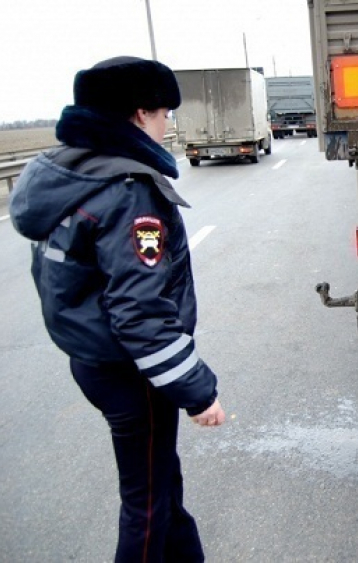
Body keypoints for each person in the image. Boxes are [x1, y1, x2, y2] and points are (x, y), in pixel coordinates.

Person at [10, 56, 224, 562]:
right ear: (137, 116)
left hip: (94, 360)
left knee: (162, 485)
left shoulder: (69, 172)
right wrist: (198, 392)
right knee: (146, 507)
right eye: (163, 112)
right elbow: (140, 314)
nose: (168, 122)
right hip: (131, 372)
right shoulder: (129, 192)